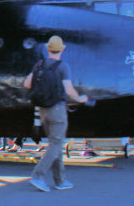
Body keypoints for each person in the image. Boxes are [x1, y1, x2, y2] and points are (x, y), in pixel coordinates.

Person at [24, 35, 88, 192]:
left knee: (55, 144)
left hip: (43, 110)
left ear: (47, 49)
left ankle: (60, 181)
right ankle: (38, 176)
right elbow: (68, 89)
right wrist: (80, 98)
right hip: (57, 109)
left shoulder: (39, 64)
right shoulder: (62, 66)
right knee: (56, 144)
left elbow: (26, 84)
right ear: (62, 50)